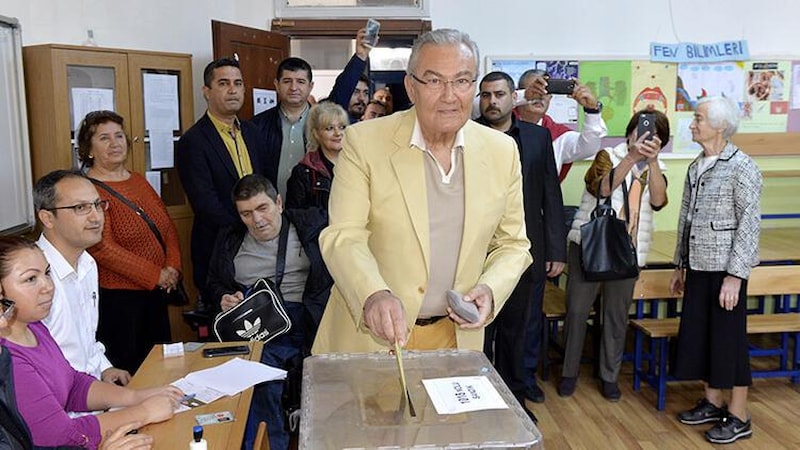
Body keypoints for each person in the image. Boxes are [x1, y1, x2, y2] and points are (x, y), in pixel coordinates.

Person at [312, 28, 531, 355]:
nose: (449, 95)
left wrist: (491, 288)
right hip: (372, 336)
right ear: (411, 86)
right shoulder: (365, 142)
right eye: (434, 81)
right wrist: (373, 293)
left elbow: (513, 244)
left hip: (455, 336)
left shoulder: (502, 151)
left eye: (461, 81)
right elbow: (344, 235)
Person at [0, 236, 182, 449]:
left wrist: (135, 396)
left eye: (47, 273)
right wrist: (144, 412)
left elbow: (73, 385)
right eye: (31, 279)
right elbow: (60, 436)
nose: (48, 286)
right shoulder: (8, 357)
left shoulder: (34, 326)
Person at [206, 174, 330, 450]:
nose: (257, 220)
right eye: (246, 214)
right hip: (256, 322)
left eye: (262, 208)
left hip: (306, 317)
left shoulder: (310, 227)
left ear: (279, 203)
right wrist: (223, 298)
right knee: (256, 374)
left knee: (266, 369)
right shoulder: (230, 237)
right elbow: (213, 283)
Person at [670, 96, 762, 445]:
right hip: (697, 266)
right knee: (701, 336)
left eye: (699, 118)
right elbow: (685, 219)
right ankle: (712, 402)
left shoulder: (742, 166)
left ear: (720, 126)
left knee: (728, 342)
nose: (693, 124)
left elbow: (749, 225)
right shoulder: (697, 166)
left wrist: (735, 277)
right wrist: (680, 264)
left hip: (726, 272)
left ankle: (739, 415)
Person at [559, 109, 669, 401]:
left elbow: (659, 201)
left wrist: (652, 162)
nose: (645, 137)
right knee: (577, 312)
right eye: (640, 130)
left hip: (628, 252)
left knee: (616, 316)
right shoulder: (607, 155)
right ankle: (569, 373)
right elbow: (601, 189)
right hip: (590, 246)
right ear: (630, 132)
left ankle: (609, 376)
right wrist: (631, 158)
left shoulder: (657, 167)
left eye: (654, 135)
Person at [475, 71, 565, 408]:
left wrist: (556, 250)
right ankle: (482, 399)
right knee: (480, 328)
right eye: (486, 95)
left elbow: (550, 194)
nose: (492, 101)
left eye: (499, 94)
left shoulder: (537, 137)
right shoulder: (467, 134)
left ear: (514, 98)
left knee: (522, 327)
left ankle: (516, 400)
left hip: (525, 249)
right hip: (477, 250)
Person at [77, 110, 181, 374]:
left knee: (160, 368)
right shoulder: (88, 189)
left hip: (156, 293)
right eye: (104, 138)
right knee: (130, 373)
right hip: (120, 301)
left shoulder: (138, 180)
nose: (115, 143)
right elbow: (101, 248)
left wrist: (172, 268)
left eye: (119, 136)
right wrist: (155, 274)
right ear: (89, 149)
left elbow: (166, 226)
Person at [177, 57, 268, 308]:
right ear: (206, 91)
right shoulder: (193, 141)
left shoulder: (253, 133)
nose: (232, 90)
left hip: (260, 246)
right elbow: (205, 203)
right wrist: (250, 225)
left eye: (238, 83)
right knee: (227, 321)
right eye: (224, 83)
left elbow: (266, 183)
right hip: (218, 250)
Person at [34, 170, 130, 385]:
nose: (96, 217)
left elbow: (85, 340)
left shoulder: (87, 263)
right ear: (47, 218)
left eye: (97, 205)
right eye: (80, 208)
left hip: (90, 391)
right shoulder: (32, 277)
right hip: (62, 398)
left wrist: (104, 367)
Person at [517, 69, 607, 180]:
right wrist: (524, 96)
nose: (540, 96)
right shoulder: (502, 124)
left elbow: (588, 148)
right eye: (535, 90)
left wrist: (592, 111)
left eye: (546, 91)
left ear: (550, 97)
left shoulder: (558, 135)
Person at [251, 57, 315, 197]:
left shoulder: (321, 124)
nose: (293, 88)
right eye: (287, 81)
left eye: (300, 82)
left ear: (310, 86)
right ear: (277, 84)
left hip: (312, 207)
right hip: (269, 205)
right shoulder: (257, 125)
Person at [286, 102, 348, 213]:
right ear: (316, 134)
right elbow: (296, 216)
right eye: (329, 128)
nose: (338, 133)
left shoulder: (358, 164)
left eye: (342, 127)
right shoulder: (302, 173)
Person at [328, 29, 373, 123]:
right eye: (356, 92)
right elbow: (345, 86)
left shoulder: (366, 127)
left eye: (365, 93)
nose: (361, 98)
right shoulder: (334, 120)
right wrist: (361, 56)